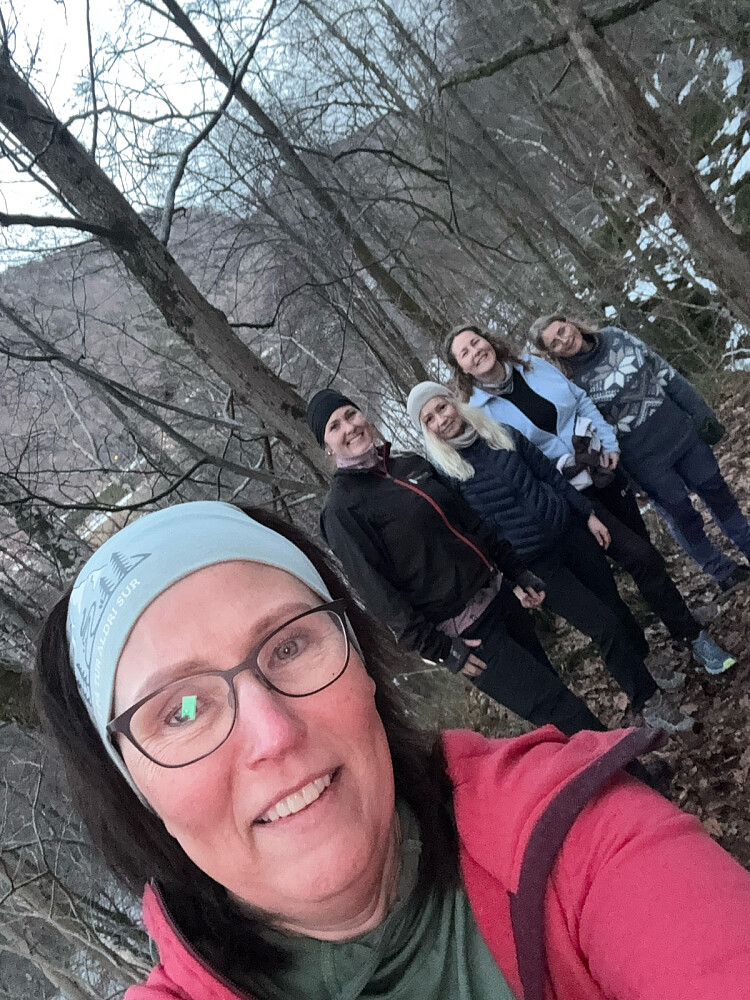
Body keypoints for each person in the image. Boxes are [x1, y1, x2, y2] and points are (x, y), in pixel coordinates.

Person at [34, 501, 750, 1000]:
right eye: (181, 710)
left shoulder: (567, 831)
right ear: (135, 788)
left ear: (363, 664)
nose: (275, 734)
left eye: (290, 646)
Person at [305, 388, 604, 736]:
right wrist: (441, 649)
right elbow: (379, 595)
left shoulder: (407, 464)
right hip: (468, 635)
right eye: (334, 426)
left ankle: (605, 763)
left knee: (556, 698)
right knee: (557, 708)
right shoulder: (342, 510)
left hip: (500, 598)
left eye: (350, 414)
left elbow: (470, 521)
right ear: (327, 447)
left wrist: (516, 571)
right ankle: (630, 764)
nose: (349, 427)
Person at [444, 324, 736, 677]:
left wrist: (609, 442)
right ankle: (689, 638)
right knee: (638, 558)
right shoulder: (477, 413)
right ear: (461, 369)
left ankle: (678, 619)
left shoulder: (533, 366)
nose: (475, 352)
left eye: (476, 342)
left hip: (604, 468)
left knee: (645, 554)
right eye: (465, 353)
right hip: (569, 495)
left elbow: (580, 400)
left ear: (488, 340)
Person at [406, 381, 693, 733]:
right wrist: (512, 579)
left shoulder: (500, 433)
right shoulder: (447, 476)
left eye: (441, 407)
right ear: (426, 429)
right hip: (533, 564)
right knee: (602, 625)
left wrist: (587, 514)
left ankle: (645, 663)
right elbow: (474, 535)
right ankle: (647, 700)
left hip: (569, 531)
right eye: (429, 419)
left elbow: (548, 475)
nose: (441, 419)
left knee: (615, 605)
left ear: (454, 403)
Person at [530, 313, 750, 593]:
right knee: (683, 517)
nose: (564, 340)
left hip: (682, 434)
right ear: (551, 354)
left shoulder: (615, 337)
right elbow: (597, 435)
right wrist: (629, 481)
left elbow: (665, 373)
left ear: (571, 323)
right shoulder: (569, 384)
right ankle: (721, 571)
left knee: (717, 492)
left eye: (562, 330)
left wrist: (700, 413)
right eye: (554, 343)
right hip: (645, 463)